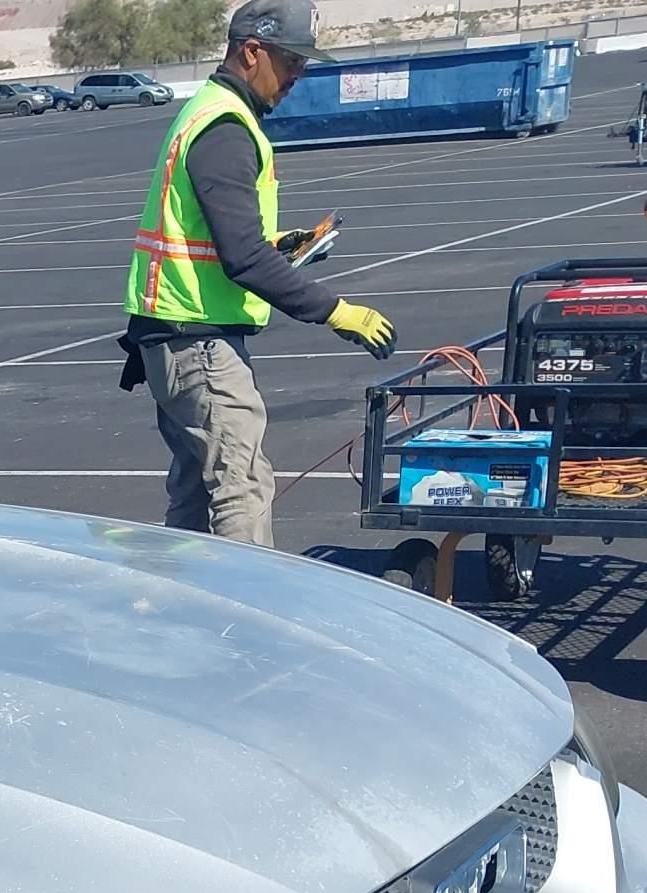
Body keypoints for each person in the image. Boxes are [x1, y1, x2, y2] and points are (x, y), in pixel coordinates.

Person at [119, 0, 399, 546]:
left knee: (198, 492)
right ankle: (242, 621)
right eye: (291, 60)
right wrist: (336, 311)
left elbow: (225, 238)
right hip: (198, 345)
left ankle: (188, 609)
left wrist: (280, 246)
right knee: (241, 487)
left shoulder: (209, 110)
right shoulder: (225, 129)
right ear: (252, 52)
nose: (298, 74)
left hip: (174, 338)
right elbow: (242, 257)